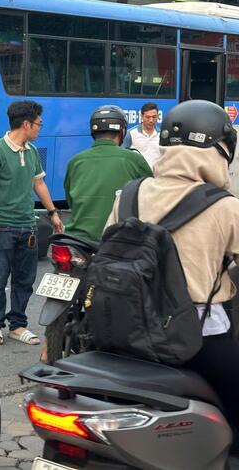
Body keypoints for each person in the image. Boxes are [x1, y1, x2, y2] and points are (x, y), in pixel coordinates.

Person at [106, 99, 239, 429]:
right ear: (218, 151)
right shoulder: (224, 206)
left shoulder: (130, 194)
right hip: (196, 337)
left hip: (126, 330)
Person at [0, 100, 63, 346]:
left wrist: (53, 212)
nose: (40, 128)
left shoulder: (33, 151)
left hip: (28, 226)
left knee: (24, 280)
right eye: (38, 124)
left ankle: (18, 325)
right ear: (26, 124)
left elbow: (39, 183)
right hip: (2, 225)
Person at [63, 105, 153, 242]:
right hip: (121, 239)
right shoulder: (134, 159)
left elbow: (70, 200)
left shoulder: (75, 161)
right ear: (122, 132)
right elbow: (150, 197)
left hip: (78, 240)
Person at [123, 102, 161, 168]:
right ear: (141, 116)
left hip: (156, 176)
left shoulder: (161, 134)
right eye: (148, 117)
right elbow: (123, 156)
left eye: (154, 117)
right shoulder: (131, 134)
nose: (151, 120)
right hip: (138, 175)